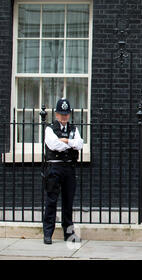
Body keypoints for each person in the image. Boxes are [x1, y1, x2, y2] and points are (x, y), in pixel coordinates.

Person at [42, 98, 83, 245]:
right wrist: (68, 143)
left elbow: (79, 144)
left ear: (69, 114)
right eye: (61, 114)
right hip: (54, 167)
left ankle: (69, 234)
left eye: (66, 114)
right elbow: (54, 145)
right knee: (51, 201)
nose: (64, 117)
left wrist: (66, 141)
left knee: (68, 202)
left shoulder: (74, 129)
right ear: (56, 114)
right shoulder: (49, 128)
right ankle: (48, 234)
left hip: (69, 168)